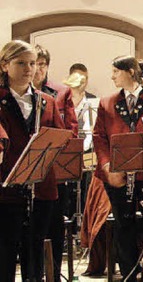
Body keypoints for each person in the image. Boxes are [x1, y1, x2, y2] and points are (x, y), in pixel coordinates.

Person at [93, 55, 143, 281]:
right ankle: (128, 272)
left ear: (131, 72)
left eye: (116, 71)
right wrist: (107, 167)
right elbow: (99, 137)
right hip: (117, 174)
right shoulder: (107, 102)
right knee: (123, 224)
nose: (112, 76)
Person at [0, 40, 65, 281]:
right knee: (6, 252)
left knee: (35, 250)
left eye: (33, 63)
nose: (30, 69)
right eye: (21, 63)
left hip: (41, 188)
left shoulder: (46, 101)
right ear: (5, 65)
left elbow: (60, 135)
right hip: (7, 187)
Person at [32, 44, 78, 282]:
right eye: (33, 63)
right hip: (26, 169)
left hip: (55, 169)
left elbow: (71, 129)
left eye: (41, 64)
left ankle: (53, 273)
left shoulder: (60, 92)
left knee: (55, 225)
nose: (37, 69)